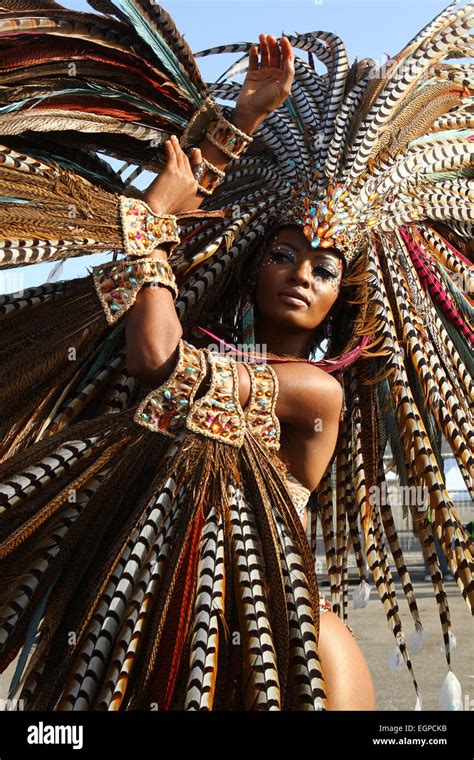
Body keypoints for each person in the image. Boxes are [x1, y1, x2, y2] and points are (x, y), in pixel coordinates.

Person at [0, 0, 471, 712]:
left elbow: (158, 356)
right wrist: (242, 119)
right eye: (284, 253)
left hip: (281, 640)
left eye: (324, 267)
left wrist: (152, 219)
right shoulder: (210, 340)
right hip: (157, 626)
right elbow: (176, 261)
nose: (301, 273)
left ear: (342, 298)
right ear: (254, 265)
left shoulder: (315, 392)